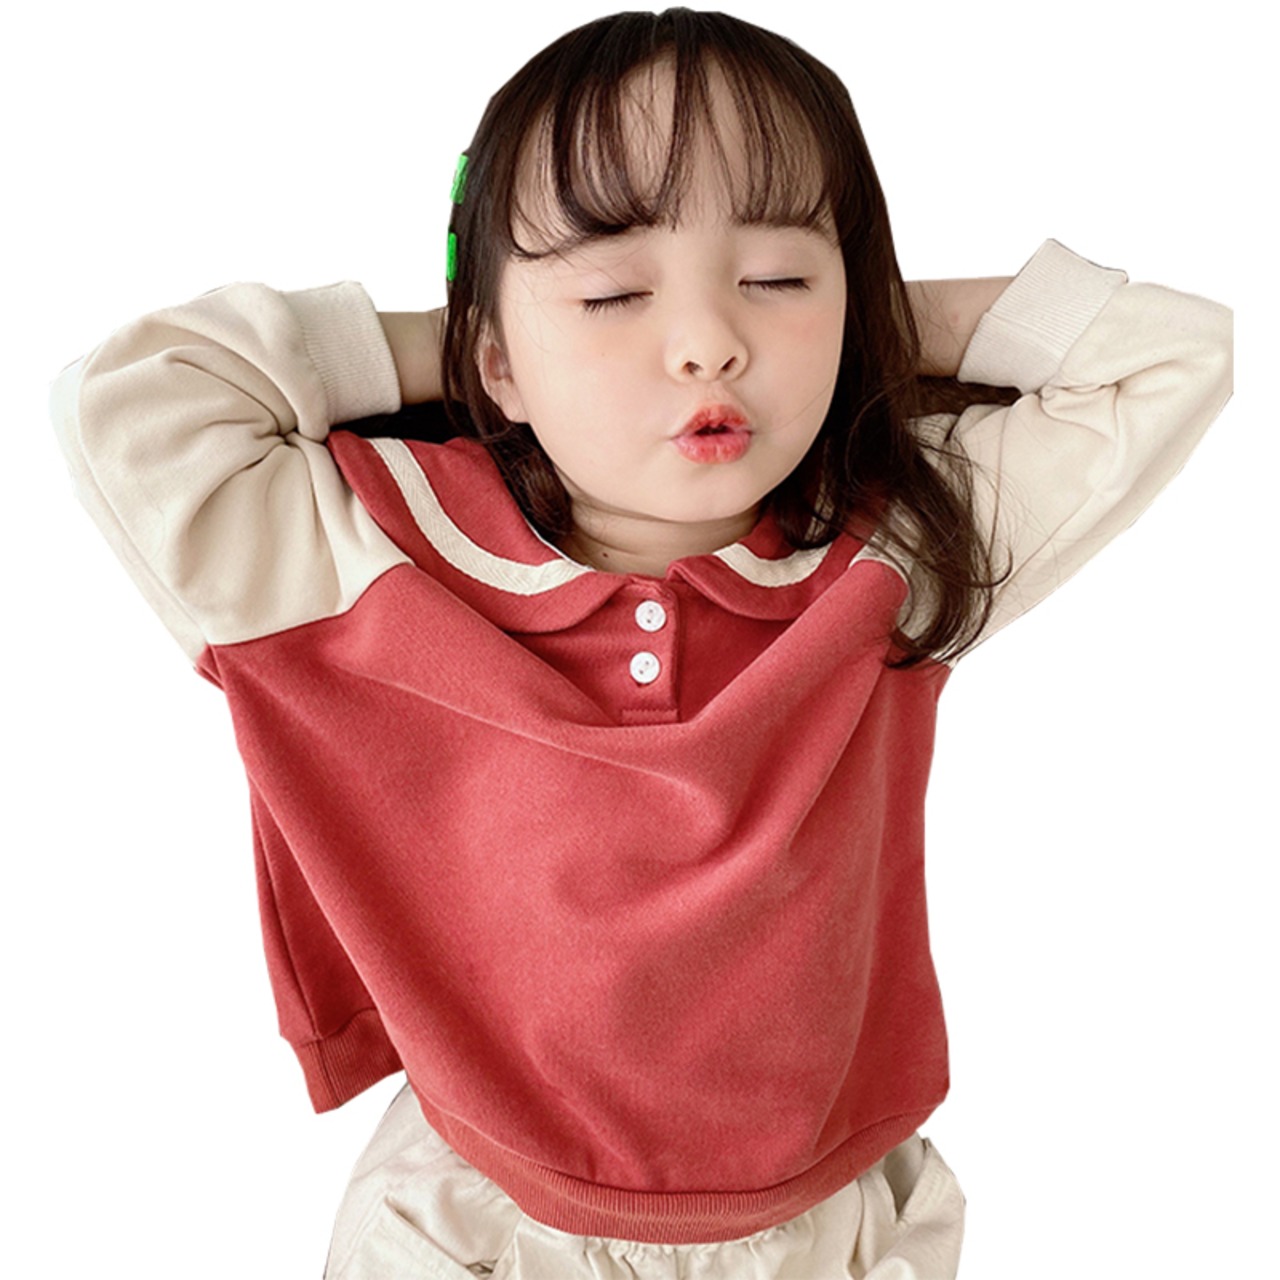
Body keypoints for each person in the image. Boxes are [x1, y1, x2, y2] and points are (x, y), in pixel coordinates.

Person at [49, 8, 1232, 1278]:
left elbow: (1176, 353)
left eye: (778, 277)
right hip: (478, 1225)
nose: (708, 339)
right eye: (612, 292)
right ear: (492, 355)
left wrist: (866, 331)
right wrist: (476, 344)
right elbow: (130, 399)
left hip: (821, 1226)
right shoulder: (355, 553)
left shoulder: (895, 551)